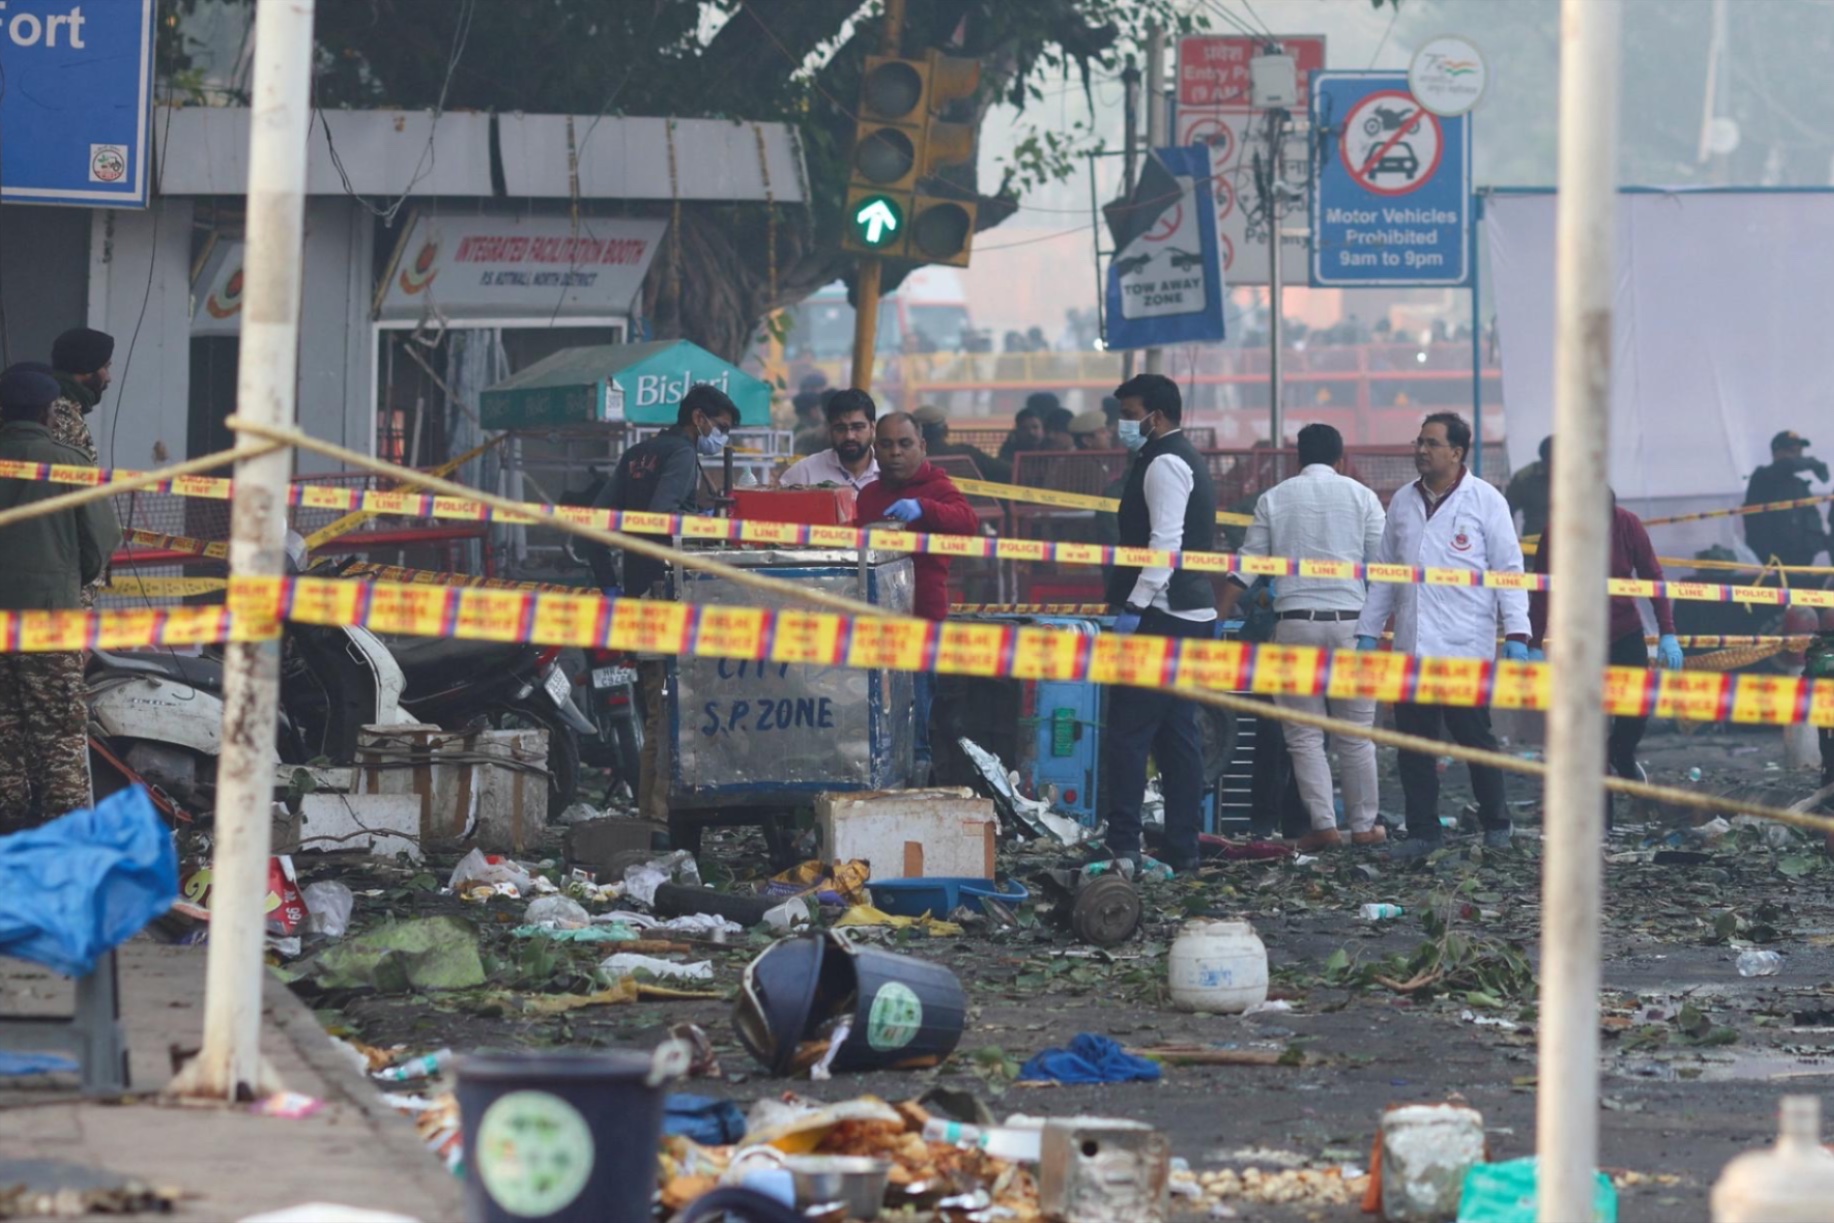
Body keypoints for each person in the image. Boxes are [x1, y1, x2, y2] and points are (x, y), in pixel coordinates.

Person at [1356, 412, 1530, 862]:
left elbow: (1508, 571)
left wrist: (1517, 632)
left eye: (1432, 443)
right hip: (1412, 646)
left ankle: (1497, 824)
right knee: (1415, 745)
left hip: (1463, 647)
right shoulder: (1401, 502)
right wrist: (1368, 633)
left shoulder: (1485, 501)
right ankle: (1423, 832)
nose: (1421, 450)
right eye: (1419, 442)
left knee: (1475, 739)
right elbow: (1385, 576)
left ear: (1456, 452)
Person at [1218, 423, 1387, 851]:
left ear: (1298, 457)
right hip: (1352, 623)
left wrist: (1217, 616)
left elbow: (1247, 563)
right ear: (1340, 457)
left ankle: (1325, 826)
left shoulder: (1275, 497)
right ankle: (1364, 826)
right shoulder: (1362, 496)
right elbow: (1384, 565)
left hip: (1294, 623)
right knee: (1356, 733)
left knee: (1304, 736)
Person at [585, 384, 740, 823]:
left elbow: (595, 523)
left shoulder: (637, 453)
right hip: (668, 594)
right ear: (699, 419)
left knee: (655, 708)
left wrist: (609, 584)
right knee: (671, 709)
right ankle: (660, 817)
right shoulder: (682, 454)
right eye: (721, 428)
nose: (721, 439)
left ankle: (650, 813)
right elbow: (662, 515)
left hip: (636, 593)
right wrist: (708, 524)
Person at [1100, 374, 1217, 873]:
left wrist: (1135, 606)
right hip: (1189, 616)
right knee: (1176, 735)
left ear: (1158, 415)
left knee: (1128, 733)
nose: (1123, 424)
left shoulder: (1165, 462)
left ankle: (1123, 844)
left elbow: (1164, 544)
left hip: (1164, 616)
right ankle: (1183, 846)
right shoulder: (1174, 455)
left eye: (1130, 413)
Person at [0, 365, 121, 829]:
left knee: (5, 727)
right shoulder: (68, 462)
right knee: (59, 731)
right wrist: (69, 580)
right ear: (49, 412)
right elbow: (100, 543)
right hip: (49, 620)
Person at [1529, 488, 1683, 820]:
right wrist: (1532, 642)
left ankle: (1622, 753)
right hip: (1579, 640)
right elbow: (1541, 590)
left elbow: (1653, 577)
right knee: (1590, 727)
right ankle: (1601, 822)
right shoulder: (1556, 533)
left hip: (1625, 632)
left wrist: (1668, 631)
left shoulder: (1628, 525)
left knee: (1636, 711)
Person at [853, 411, 979, 778]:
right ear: (875, 449)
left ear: (922, 447)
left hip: (922, 616)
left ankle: (918, 780)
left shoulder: (937, 486)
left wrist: (924, 508)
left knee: (917, 708)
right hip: (875, 618)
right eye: (887, 445)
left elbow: (967, 522)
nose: (895, 453)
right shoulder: (870, 494)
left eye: (905, 444)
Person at [1744, 430, 1830, 567]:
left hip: (1804, 563)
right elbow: (1786, 466)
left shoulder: (1799, 486)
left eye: (1799, 451)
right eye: (1791, 451)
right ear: (1776, 453)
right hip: (1773, 564)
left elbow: (1813, 523)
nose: (1798, 456)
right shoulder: (1762, 478)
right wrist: (1813, 463)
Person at [778, 388, 879, 492]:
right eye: (840, 428)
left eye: (857, 427)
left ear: (872, 428)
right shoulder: (805, 472)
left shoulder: (888, 472)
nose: (849, 436)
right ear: (830, 429)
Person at [48, 327, 111, 463]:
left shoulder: (56, 403)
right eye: (105, 367)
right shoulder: (60, 411)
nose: (108, 377)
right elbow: (74, 478)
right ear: (86, 367)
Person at [911, 404, 1012, 483]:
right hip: (972, 506)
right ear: (945, 430)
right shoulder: (968, 453)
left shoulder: (910, 460)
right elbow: (1005, 470)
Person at [1506, 435, 1552, 541]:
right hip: (1535, 546)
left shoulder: (1578, 478)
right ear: (1544, 461)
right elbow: (1505, 512)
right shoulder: (1524, 479)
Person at [998, 400, 1049, 465]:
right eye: (1024, 429)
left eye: (1035, 427)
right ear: (1017, 431)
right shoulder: (1010, 448)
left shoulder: (1051, 446)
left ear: (1043, 428)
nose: (1031, 432)